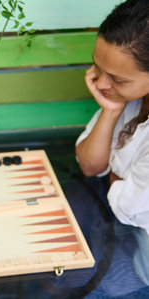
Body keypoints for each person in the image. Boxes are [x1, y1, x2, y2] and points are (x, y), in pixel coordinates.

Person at [75, 0, 149, 285]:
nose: (101, 83)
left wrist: (116, 177)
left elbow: (127, 208)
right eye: (97, 66)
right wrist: (111, 110)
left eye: (117, 79)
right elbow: (91, 165)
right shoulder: (132, 99)